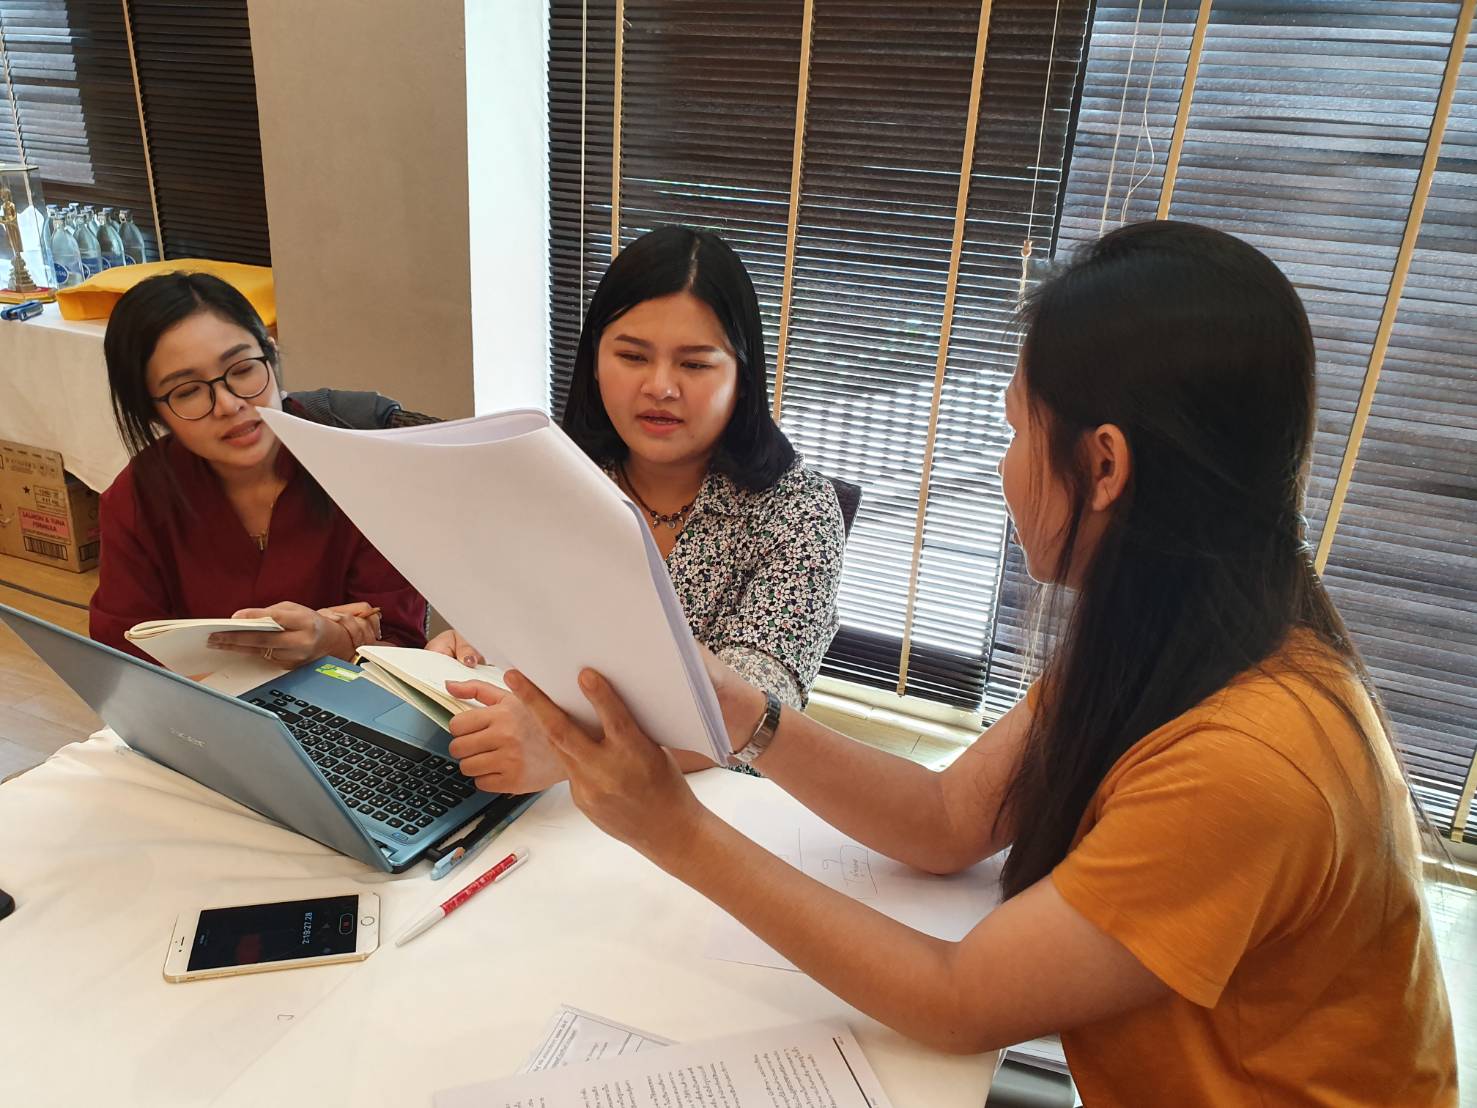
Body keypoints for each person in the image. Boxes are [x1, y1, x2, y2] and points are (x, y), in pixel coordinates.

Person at [497, 222, 1457, 1105]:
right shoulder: (1177, 638)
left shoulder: (1247, 760)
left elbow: (957, 1001)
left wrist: (674, 831)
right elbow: (948, 821)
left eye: (1013, 429)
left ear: (1104, 466)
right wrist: (749, 711)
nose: (1002, 466)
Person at [438, 226, 846, 792]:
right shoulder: (553, 477)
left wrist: (569, 751)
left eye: (695, 365)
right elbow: (513, 622)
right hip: (532, 793)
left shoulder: (797, 512)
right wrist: (470, 645)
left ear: (742, 376)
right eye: (632, 356)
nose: (660, 387)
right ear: (594, 361)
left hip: (701, 808)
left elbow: (755, 723)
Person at [89, 272, 428, 667]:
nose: (229, 404)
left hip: (351, 700)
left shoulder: (361, 469)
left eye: (242, 369)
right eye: (188, 391)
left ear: (271, 354)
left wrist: (334, 642)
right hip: (200, 703)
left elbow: (405, 650)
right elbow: (124, 657)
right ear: (152, 412)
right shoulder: (137, 500)